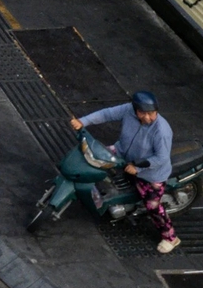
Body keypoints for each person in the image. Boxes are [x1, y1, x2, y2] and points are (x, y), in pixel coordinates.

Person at [71, 92, 181, 254]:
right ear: (135, 109)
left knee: (153, 206)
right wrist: (83, 121)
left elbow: (161, 158)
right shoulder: (128, 110)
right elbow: (107, 114)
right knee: (92, 158)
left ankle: (170, 237)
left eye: (151, 113)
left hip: (150, 172)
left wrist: (138, 168)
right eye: (143, 113)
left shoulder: (161, 131)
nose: (148, 117)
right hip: (123, 153)